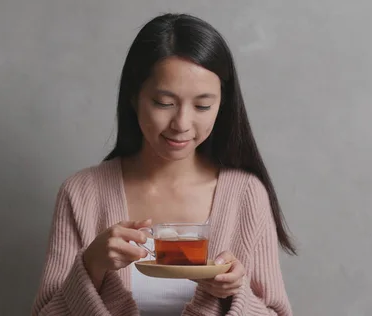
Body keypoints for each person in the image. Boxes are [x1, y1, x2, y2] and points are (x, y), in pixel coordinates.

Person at [31, 13, 295, 316]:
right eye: (164, 103)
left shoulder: (246, 195)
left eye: (202, 106)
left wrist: (236, 293)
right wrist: (92, 264)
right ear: (134, 97)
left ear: (223, 105)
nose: (181, 123)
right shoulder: (81, 193)